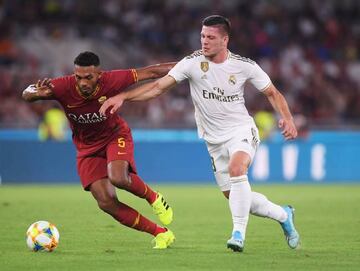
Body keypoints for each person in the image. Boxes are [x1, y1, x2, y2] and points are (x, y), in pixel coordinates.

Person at [99, 15, 300, 252]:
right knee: (234, 195)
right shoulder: (192, 63)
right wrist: (123, 96)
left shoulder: (245, 66)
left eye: (211, 37)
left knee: (238, 170)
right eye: (203, 36)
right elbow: (157, 87)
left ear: (225, 40)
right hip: (213, 141)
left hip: (241, 130)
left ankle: (238, 234)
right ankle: (283, 214)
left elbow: (273, 93)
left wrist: (287, 118)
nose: (204, 41)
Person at [22, 51, 176, 249]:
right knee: (106, 202)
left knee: (118, 178)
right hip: (86, 148)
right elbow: (27, 92)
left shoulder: (112, 80)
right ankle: (160, 233)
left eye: (89, 77)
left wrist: (191, 65)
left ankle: (153, 197)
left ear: (99, 75)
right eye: (79, 77)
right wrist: (33, 95)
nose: (83, 82)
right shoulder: (62, 86)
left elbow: (153, 72)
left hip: (115, 136)